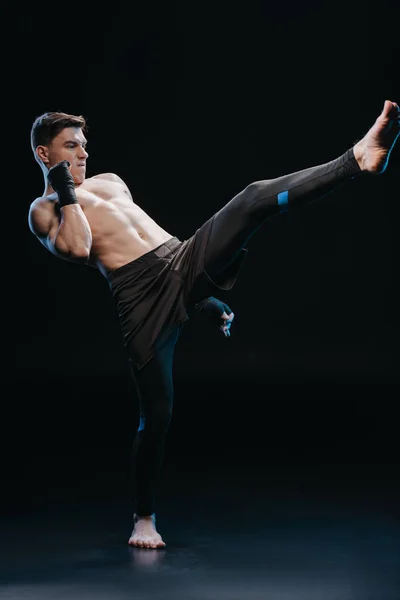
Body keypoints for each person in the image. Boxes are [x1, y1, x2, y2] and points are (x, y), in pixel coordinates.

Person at [28, 100, 400, 549]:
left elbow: (154, 237)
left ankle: (356, 160)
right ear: (44, 154)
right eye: (71, 146)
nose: (84, 154)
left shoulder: (110, 181)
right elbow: (79, 244)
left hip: (178, 259)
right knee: (158, 416)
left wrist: (202, 300)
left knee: (253, 198)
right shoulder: (42, 210)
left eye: (85, 145)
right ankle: (143, 518)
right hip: (139, 299)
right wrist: (62, 186)